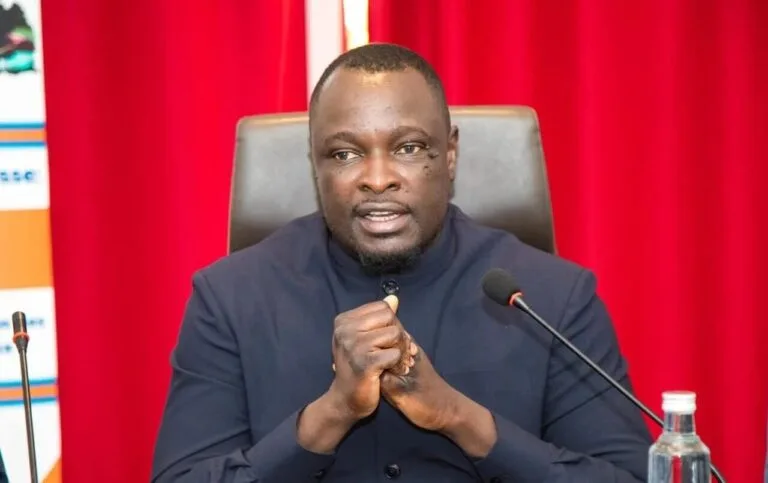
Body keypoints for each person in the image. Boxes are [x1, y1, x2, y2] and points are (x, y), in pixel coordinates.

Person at [151, 43, 652, 482]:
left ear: (450, 155)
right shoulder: (231, 297)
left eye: (409, 148)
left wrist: (461, 418)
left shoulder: (551, 298)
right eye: (345, 154)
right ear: (314, 163)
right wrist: (330, 415)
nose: (377, 178)